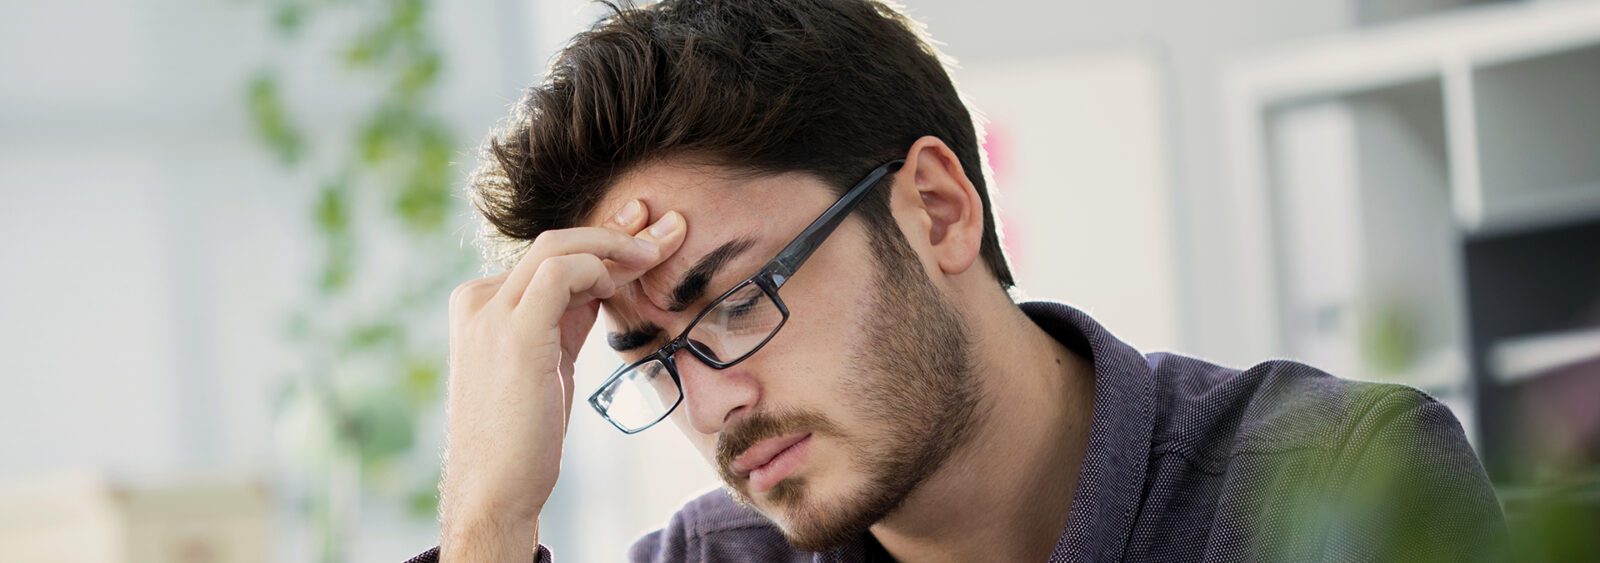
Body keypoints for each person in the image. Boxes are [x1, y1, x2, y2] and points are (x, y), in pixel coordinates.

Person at [408, 0, 1505, 561]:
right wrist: (489, 516)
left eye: (735, 299)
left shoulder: (1329, 484)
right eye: (655, 363)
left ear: (935, 208)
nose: (713, 404)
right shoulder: (712, 556)